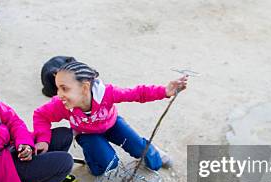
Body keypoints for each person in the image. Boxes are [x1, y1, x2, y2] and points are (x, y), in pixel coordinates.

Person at [33, 61, 187, 176]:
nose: (59, 94)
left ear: (85, 87)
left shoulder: (107, 93)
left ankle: (154, 152)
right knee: (105, 166)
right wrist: (43, 139)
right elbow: (40, 115)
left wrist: (164, 91)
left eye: (64, 88)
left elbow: (137, 93)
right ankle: (93, 158)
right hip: (87, 133)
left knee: (141, 149)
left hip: (112, 124)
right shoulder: (61, 104)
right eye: (58, 88)